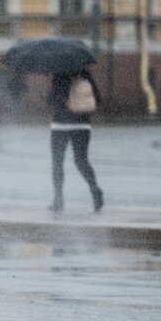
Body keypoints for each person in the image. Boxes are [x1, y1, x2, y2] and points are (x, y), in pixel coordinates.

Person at [47, 70, 104, 214]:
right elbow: (97, 98)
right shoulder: (86, 76)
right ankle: (95, 189)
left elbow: (51, 101)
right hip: (82, 125)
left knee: (57, 162)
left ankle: (58, 199)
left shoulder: (59, 76)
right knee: (81, 160)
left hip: (60, 126)